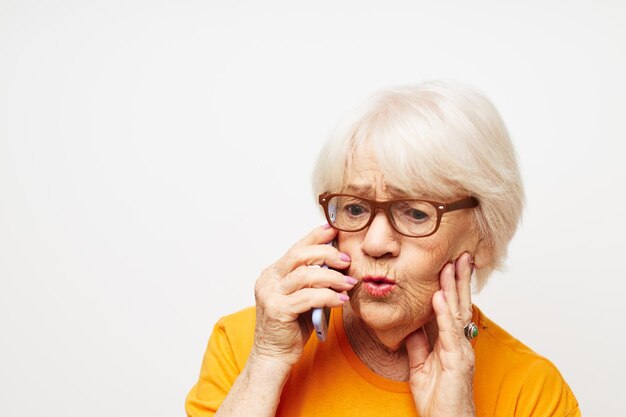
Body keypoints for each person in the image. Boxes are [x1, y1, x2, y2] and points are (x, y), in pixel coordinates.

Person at [185, 81, 580, 416]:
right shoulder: (248, 345)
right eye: (355, 208)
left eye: (416, 213)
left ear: (484, 237)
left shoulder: (532, 392)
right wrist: (267, 365)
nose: (375, 243)